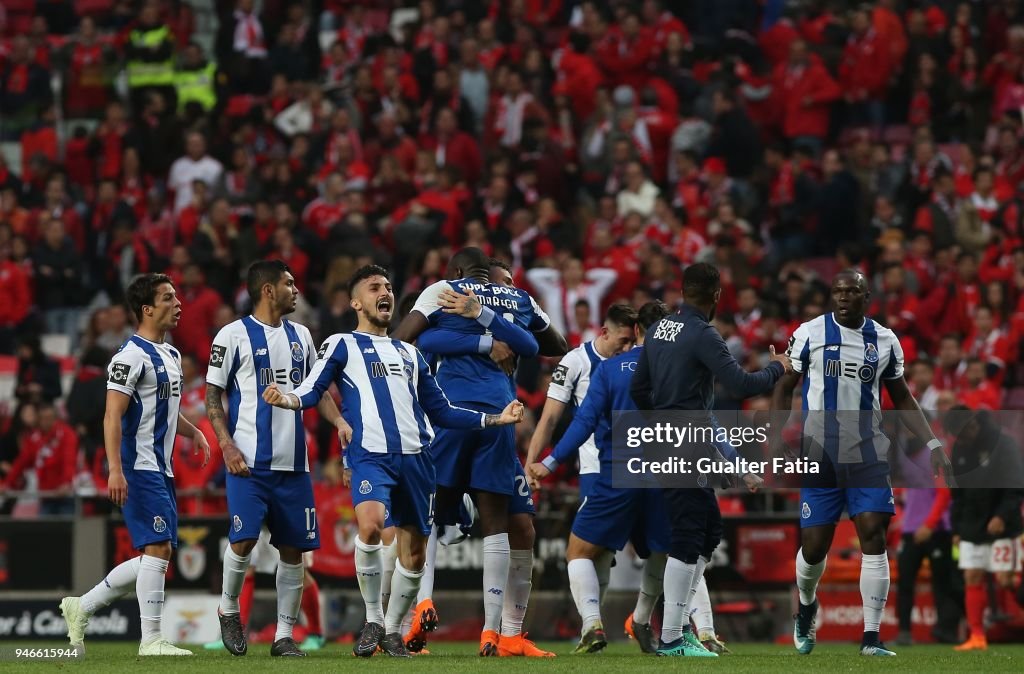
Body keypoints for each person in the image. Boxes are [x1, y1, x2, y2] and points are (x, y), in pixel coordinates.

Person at [263, 264, 524, 657]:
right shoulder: (340, 344)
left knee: (414, 552)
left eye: (387, 286)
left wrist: (494, 419)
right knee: (369, 527)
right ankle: (374, 618)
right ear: (356, 302)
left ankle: (391, 632)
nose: (384, 292)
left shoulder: (409, 353)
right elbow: (315, 388)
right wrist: (289, 399)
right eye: (374, 288)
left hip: (418, 458)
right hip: (371, 454)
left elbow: (444, 411)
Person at [771, 270, 955, 657]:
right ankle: (807, 605)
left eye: (851, 292)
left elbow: (902, 398)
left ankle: (871, 637)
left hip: (869, 452)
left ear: (866, 297)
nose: (843, 297)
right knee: (814, 547)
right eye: (837, 291)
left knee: (873, 534)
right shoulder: (809, 333)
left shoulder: (885, 340)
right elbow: (785, 386)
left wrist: (934, 442)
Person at [391, 247, 559, 656]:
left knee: (509, 524)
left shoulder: (452, 294)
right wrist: (489, 338)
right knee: (480, 520)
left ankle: (500, 632)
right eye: (498, 281)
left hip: (467, 417)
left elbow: (408, 337)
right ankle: (406, 622)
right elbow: (545, 343)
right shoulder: (510, 304)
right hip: (483, 415)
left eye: (507, 284)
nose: (502, 289)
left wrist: (484, 319)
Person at [631, 262, 789, 657]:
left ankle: (678, 627)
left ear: (683, 291)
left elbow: (639, 389)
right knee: (688, 535)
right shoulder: (703, 334)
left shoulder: (657, 331)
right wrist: (777, 369)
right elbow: (741, 385)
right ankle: (671, 637)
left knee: (709, 530)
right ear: (717, 295)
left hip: (667, 438)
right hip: (686, 441)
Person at [59, 273, 211, 656]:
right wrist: (114, 469)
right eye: (168, 298)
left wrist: (193, 432)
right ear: (147, 309)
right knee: (158, 549)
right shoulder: (128, 357)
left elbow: (167, 410)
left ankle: (82, 606)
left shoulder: (172, 353)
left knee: (156, 553)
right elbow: (112, 416)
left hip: (162, 466)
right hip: (138, 465)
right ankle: (151, 640)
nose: (178, 304)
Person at [204, 260, 348, 658]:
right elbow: (212, 395)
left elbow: (316, 390)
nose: (295, 289)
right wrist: (227, 445)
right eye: (288, 283)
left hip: (295, 466)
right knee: (244, 540)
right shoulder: (232, 335)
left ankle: (284, 635)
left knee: (293, 552)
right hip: (247, 463)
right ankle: (228, 610)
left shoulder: (302, 335)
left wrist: (338, 423)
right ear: (268, 290)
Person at [530, 301, 672, 654]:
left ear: (638, 332)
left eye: (629, 340)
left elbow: (583, 422)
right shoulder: (677, 368)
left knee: (581, 552)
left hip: (613, 471)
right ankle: (639, 621)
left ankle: (593, 624)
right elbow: (705, 419)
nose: (624, 347)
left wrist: (547, 463)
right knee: (656, 551)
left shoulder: (610, 370)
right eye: (620, 340)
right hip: (652, 471)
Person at [945, 406, 1024, 652]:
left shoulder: (1004, 444)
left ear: (973, 424)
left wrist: (1002, 515)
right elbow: (956, 494)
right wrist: (957, 528)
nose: (961, 439)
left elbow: (1015, 485)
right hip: (971, 524)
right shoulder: (959, 449)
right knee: (972, 575)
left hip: (1004, 526)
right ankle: (977, 636)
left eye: (963, 433)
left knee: (1006, 579)